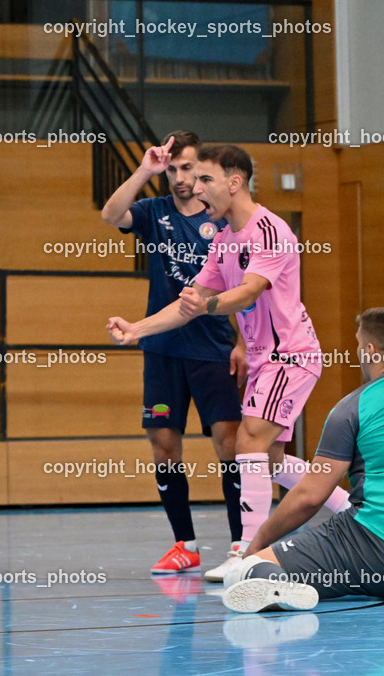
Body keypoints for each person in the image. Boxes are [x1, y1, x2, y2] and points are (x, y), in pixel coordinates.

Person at [107, 144, 350, 581]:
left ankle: (249, 556)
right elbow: (189, 302)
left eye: (205, 180)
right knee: (269, 462)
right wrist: (137, 329)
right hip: (264, 360)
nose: (196, 189)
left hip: (288, 356)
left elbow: (249, 291)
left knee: (247, 446)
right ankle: (353, 512)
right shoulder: (222, 240)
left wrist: (208, 304)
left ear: (234, 183)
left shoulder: (269, 230)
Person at [221, 307, 384, 613]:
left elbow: (310, 497)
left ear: (369, 349)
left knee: (239, 575)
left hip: (374, 551)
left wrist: (256, 544)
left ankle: (280, 585)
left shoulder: (355, 405)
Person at [101, 131, 248, 579]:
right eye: (172, 169)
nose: (180, 178)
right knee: (164, 445)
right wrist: (145, 169)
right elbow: (110, 215)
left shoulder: (221, 217)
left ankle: (241, 543)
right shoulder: (153, 212)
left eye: (187, 168)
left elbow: (244, 284)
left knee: (229, 445)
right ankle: (184, 544)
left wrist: (241, 342)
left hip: (213, 349)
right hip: (163, 350)